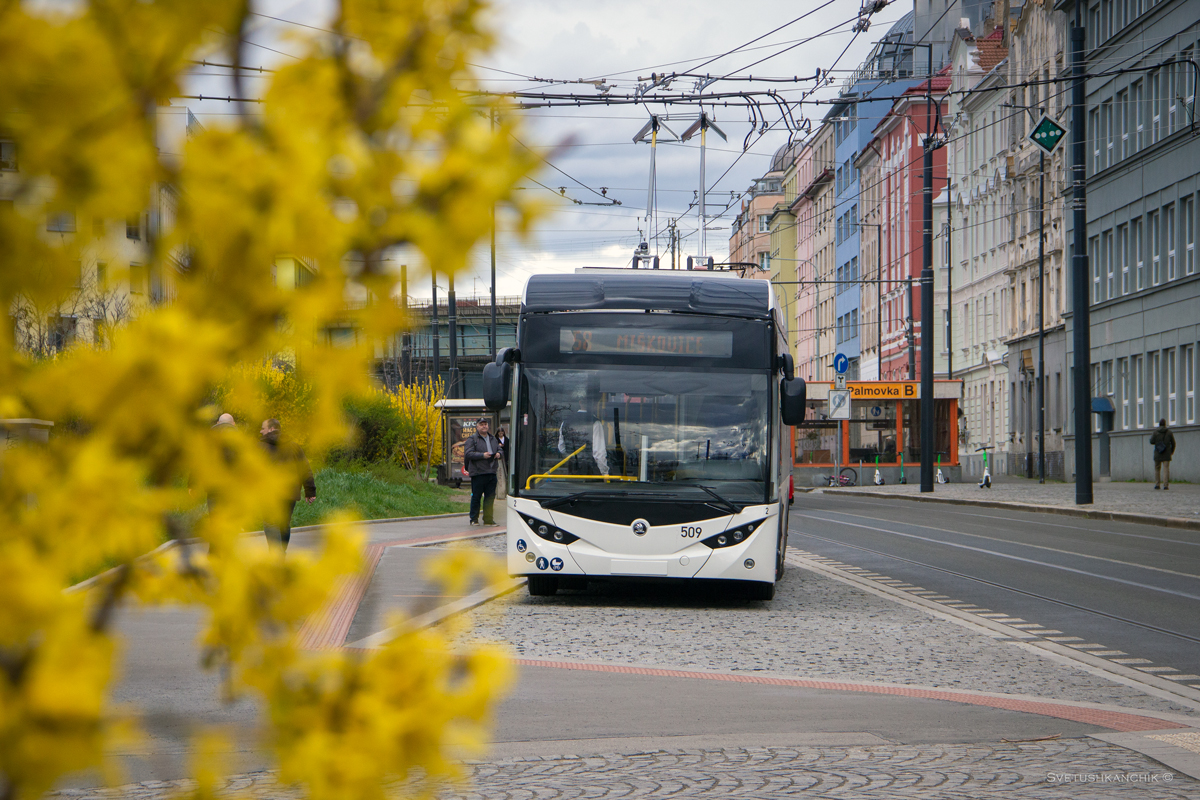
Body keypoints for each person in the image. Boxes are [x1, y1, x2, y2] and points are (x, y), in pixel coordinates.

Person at [259, 418, 316, 550]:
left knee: (271, 523)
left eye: (263, 428)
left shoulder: (260, 447)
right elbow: (305, 469)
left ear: (272, 429)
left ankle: (277, 557)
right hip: (289, 493)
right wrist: (310, 491)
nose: (260, 431)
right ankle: (281, 554)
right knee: (284, 524)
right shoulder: (294, 447)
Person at [463, 417, 501, 526]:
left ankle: (488, 519)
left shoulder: (493, 438)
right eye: (482, 424)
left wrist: (499, 454)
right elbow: (468, 454)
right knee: (476, 497)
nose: (484, 426)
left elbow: (500, 450)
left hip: (491, 471)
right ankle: (474, 519)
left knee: (490, 497)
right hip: (478, 472)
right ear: (477, 426)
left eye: (486, 424)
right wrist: (482, 455)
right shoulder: (472, 439)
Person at [1150, 418, 1176, 490]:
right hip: (1167, 453)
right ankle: (1165, 485)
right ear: (1165, 424)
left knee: (1157, 469)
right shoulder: (1169, 432)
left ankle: (1157, 484)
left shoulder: (1155, 432)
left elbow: (1151, 441)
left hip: (1158, 452)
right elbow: (1173, 443)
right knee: (1166, 469)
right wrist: (1171, 451)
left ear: (1159, 424)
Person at [495, 425, 509, 498]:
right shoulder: (495, 440)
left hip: (506, 457)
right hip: (499, 458)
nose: (501, 434)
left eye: (502, 433)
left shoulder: (506, 439)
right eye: (500, 433)